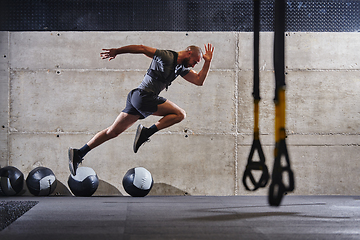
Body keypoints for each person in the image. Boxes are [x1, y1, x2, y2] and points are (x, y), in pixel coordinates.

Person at [69, 43, 214, 175]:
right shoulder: (167, 56)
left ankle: (79, 153)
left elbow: (198, 81)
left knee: (112, 132)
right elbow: (142, 48)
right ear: (189, 53)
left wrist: (207, 62)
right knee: (180, 114)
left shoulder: (180, 68)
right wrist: (117, 51)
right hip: (144, 96)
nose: (194, 65)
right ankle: (146, 132)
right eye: (195, 61)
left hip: (138, 98)